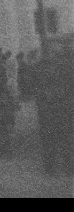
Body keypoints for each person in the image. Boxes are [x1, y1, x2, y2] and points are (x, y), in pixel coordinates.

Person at [34, 39, 74, 177]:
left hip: (60, 107)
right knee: (53, 138)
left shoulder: (65, 65)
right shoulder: (41, 66)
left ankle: (65, 165)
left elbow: (69, 86)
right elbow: (35, 88)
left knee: (63, 138)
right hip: (50, 108)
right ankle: (53, 166)